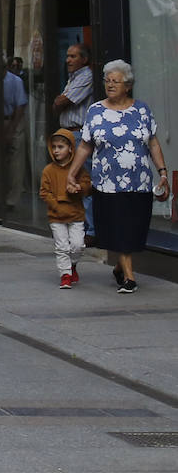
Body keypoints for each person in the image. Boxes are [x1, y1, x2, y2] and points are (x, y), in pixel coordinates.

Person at [67, 60, 170, 294]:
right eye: (107, 80)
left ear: (128, 86)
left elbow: (152, 142)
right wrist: (71, 173)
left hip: (140, 182)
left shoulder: (142, 110)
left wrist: (162, 172)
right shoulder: (95, 110)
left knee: (135, 230)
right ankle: (130, 278)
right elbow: (85, 146)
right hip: (107, 184)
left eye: (116, 81)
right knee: (120, 228)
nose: (110, 85)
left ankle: (119, 268)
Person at [40, 129, 92, 289]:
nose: (56, 150)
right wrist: (56, 206)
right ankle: (66, 275)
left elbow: (87, 186)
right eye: (54, 147)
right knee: (61, 247)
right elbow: (44, 192)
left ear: (70, 148)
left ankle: (73, 264)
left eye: (60, 147)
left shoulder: (78, 169)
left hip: (75, 215)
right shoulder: (48, 170)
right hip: (56, 217)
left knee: (77, 246)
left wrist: (78, 188)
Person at [54, 43, 95, 235]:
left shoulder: (86, 76)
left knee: (82, 180)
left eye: (73, 56)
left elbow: (63, 101)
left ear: (84, 59)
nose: (68, 60)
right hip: (69, 134)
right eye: (67, 56)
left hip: (79, 134)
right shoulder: (73, 78)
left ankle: (90, 230)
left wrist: (58, 101)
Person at [2, 58, 29, 209]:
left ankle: (12, 200)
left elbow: (20, 106)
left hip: (13, 119)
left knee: (16, 161)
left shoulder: (15, 81)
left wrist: (11, 129)